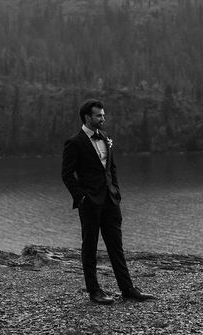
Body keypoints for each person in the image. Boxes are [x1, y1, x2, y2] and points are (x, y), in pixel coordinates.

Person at [62, 99, 155, 304]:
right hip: (90, 203)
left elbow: (111, 168)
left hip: (111, 202)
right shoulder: (74, 142)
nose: (103, 118)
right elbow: (67, 174)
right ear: (88, 117)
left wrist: (116, 191)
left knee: (116, 246)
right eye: (99, 115)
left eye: (103, 115)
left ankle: (127, 288)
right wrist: (82, 197)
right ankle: (94, 291)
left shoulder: (105, 137)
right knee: (90, 247)